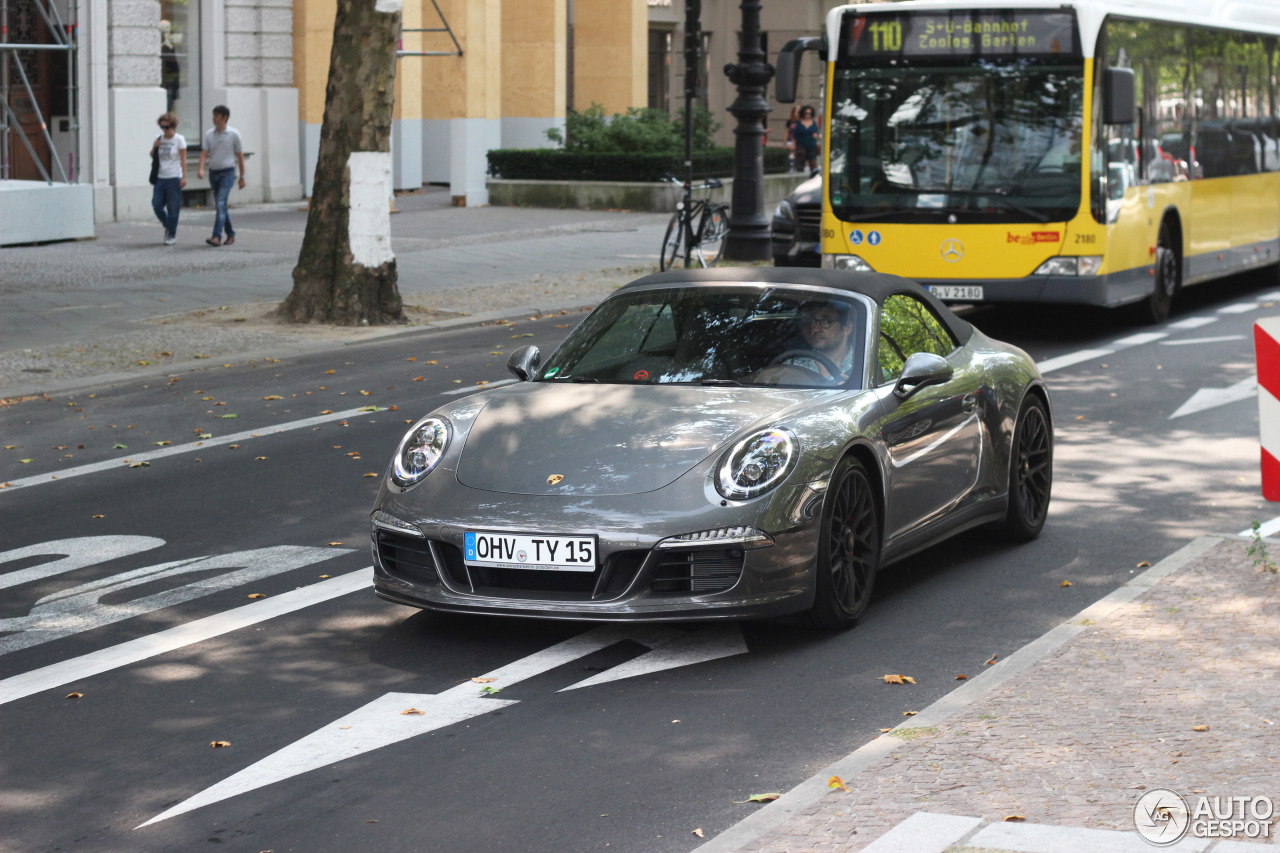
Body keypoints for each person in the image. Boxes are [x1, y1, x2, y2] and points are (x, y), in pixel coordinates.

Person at [197, 105, 246, 247]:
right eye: (213, 115)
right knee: (221, 205)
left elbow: (240, 156)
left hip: (227, 173)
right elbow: (204, 153)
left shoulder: (234, 134)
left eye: (217, 116)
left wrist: (242, 176)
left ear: (224, 118)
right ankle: (230, 234)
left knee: (220, 203)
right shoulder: (209, 134)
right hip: (213, 173)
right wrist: (201, 169)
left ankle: (216, 236)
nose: (214, 118)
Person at [151, 112, 187, 246]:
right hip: (160, 177)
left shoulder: (179, 139)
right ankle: (167, 225)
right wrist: (155, 146)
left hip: (174, 177)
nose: (164, 130)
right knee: (157, 205)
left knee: (173, 207)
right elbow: (151, 155)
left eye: (167, 127)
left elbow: (183, 159)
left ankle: (172, 234)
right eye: (162, 127)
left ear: (173, 126)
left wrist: (184, 177)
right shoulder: (159, 138)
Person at [792, 105, 821, 173]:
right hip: (801, 145)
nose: (808, 115)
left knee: (813, 163)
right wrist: (793, 147)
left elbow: (817, 131)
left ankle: (813, 177)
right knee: (800, 163)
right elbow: (795, 136)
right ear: (803, 113)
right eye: (806, 113)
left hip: (811, 145)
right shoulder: (798, 123)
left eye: (810, 113)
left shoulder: (814, 122)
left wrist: (816, 135)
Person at [784, 106, 801, 171]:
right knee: (791, 155)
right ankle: (791, 169)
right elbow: (786, 132)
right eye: (796, 111)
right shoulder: (790, 121)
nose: (797, 113)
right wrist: (784, 143)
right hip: (790, 140)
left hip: (799, 141)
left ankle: (797, 169)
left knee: (798, 155)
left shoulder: (801, 121)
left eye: (799, 111)